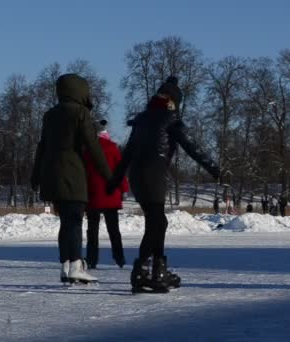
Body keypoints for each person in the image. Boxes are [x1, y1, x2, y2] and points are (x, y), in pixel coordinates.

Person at [107, 76, 219, 293]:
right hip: (153, 175)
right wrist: (214, 168)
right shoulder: (171, 119)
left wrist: (114, 180)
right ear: (174, 101)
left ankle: (156, 270)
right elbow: (191, 147)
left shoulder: (142, 119)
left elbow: (127, 153)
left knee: (157, 222)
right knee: (157, 222)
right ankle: (142, 272)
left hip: (138, 177)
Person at [31, 73, 111, 284]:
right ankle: (76, 264)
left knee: (65, 222)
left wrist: (35, 175)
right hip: (72, 172)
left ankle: (65, 266)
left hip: (51, 173)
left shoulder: (50, 115)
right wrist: (109, 176)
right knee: (75, 219)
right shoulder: (80, 113)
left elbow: (42, 146)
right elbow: (93, 147)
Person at [84, 119, 128, 269]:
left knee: (92, 230)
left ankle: (91, 259)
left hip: (93, 193)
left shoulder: (87, 149)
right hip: (111, 193)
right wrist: (124, 189)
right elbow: (119, 170)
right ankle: (119, 258)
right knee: (114, 229)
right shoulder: (112, 148)